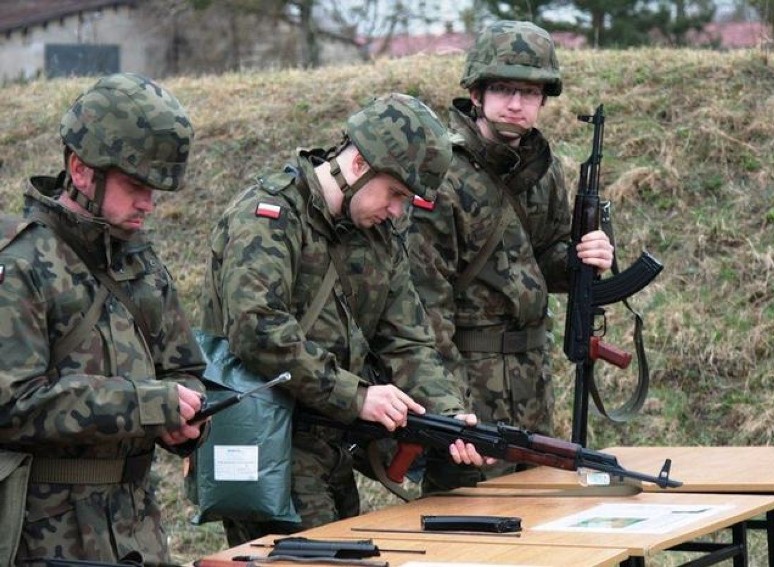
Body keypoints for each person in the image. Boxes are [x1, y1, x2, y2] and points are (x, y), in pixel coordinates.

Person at [200, 93, 487, 546]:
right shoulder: (269, 219)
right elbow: (256, 330)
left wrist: (449, 416)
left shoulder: (378, 239)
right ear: (357, 166)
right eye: (394, 193)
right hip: (269, 442)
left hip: (333, 446)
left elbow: (407, 341)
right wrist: (357, 395)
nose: (398, 210)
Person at [0, 73, 207, 565]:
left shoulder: (140, 262)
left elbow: (183, 369)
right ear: (81, 169)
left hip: (139, 532)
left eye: (155, 189)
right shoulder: (21, 263)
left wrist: (188, 418)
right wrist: (149, 405)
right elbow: (13, 404)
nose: (148, 203)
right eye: (136, 185)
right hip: (47, 538)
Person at [405, 20, 615, 491]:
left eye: (529, 92)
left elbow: (545, 258)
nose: (516, 104)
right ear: (476, 94)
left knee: (541, 520)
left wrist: (585, 258)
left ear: (544, 99)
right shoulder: (443, 174)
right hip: (469, 386)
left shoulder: (541, 170)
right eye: (502, 89)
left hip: (533, 382)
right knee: (466, 529)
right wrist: (445, 406)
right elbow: (424, 305)